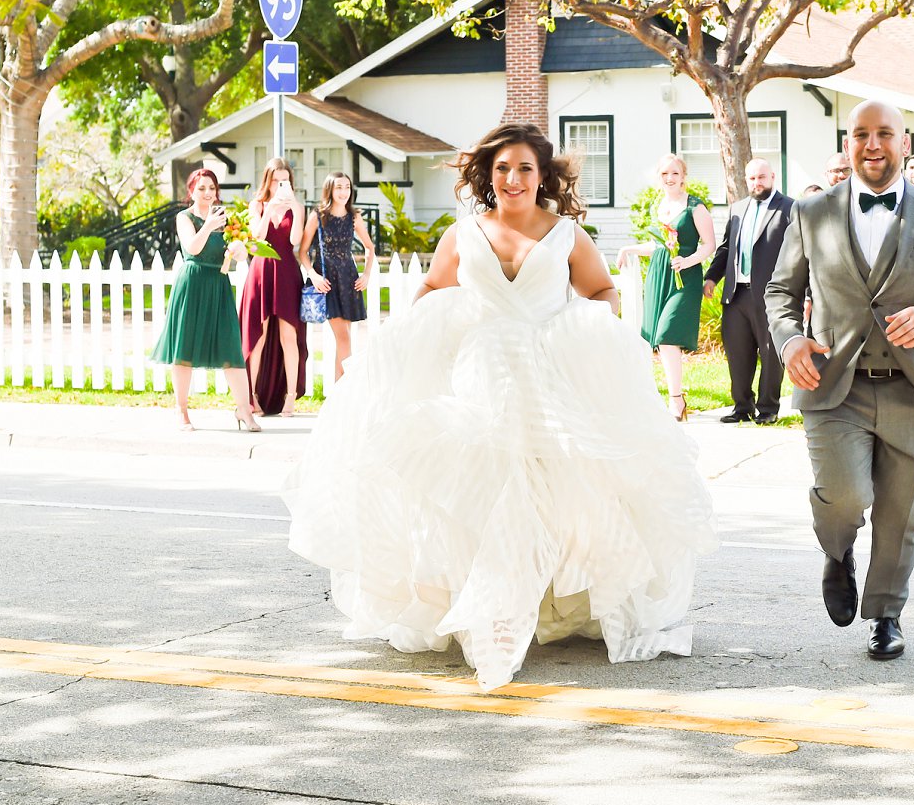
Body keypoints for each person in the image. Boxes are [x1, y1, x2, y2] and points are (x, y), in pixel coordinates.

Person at [282, 122, 717, 692]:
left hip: (545, 373)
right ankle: (491, 609)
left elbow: (603, 293)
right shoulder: (463, 234)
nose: (513, 179)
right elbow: (433, 291)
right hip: (480, 372)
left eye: (525, 169)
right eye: (503, 169)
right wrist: (416, 341)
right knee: (483, 490)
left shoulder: (566, 235)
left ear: (543, 178)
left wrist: (578, 330)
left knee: (552, 491)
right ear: (489, 175)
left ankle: (535, 600)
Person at [765, 100, 914, 662]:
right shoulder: (811, 214)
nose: (873, 144)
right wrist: (789, 341)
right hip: (835, 383)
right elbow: (780, 294)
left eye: (885, 133)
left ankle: (886, 614)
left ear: (906, 144)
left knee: (901, 515)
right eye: (862, 134)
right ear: (848, 144)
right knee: (846, 498)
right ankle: (838, 554)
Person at [149, 168, 262, 433]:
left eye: (211, 188)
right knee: (184, 348)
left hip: (218, 285)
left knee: (232, 347)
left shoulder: (228, 218)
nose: (208, 193)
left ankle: (244, 410)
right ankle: (182, 409)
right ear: (191, 191)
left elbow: (246, 251)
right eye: (201, 188)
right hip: (192, 283)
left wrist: (241, 249)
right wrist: (210, 224)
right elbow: (193, 248)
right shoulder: (184, 217)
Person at [617, 155, 715, 422]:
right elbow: (657, 246)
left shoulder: (696, 208)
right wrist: (630, 248)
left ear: (683, 176)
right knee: (658, 340)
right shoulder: (656, 207)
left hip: (686, 277)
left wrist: (689, 260)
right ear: (658, 178)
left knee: (667, 335)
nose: (670, 178)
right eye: (664, 174)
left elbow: (709, 245)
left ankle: (675, 401)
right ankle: (675, 399)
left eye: (674, 173)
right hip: (660, 274)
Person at [704, 158, 795, 424]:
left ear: (773, 177)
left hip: (771, 295)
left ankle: (768, 408)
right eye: (752, 178)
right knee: (738, 352)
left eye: (762, 177)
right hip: (736, 295)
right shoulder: (738, 208)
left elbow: (801, 254)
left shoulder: (789, 208)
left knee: (770, 353)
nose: (757, 183)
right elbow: (725, 248)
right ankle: (742, 407)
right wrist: (711, 277)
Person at [240, 158, 309, 415]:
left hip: (287, 272)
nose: (280, 184)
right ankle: (253, 394)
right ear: (267, 180)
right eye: (276, 179)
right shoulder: (256, 205)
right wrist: (268, 211)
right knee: (258, 334)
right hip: (261, 271)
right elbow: (256, 238)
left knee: (288, 336)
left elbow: (294, 240)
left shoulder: (297, 207)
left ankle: (290, 396)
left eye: (285, 179)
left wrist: (293, 208)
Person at [297, 173, 377, 382]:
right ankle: (345, 391)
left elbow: (370, 247)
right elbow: (303, 252)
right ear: (330, 190)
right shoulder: (318, 216)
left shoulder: (354, 217)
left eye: (347, 187)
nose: (344, 192)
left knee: (346, 340)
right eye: (339, 187)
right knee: (344, 339)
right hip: (327, 282)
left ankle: (338, 391)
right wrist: (312, 275)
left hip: (349, 280)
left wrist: (366, 274)